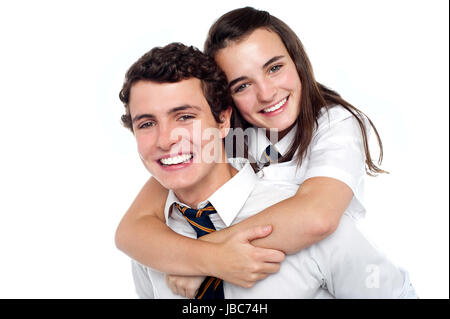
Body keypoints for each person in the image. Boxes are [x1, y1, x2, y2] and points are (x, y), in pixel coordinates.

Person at [116, 6, 389, 294]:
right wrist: (202, 257)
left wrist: (206, 257)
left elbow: (317, 216)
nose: (266, 93)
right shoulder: (220, 136)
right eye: (242, 84)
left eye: (274, 68)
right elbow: (132, 230)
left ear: (297, 61)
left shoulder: (336, 126)